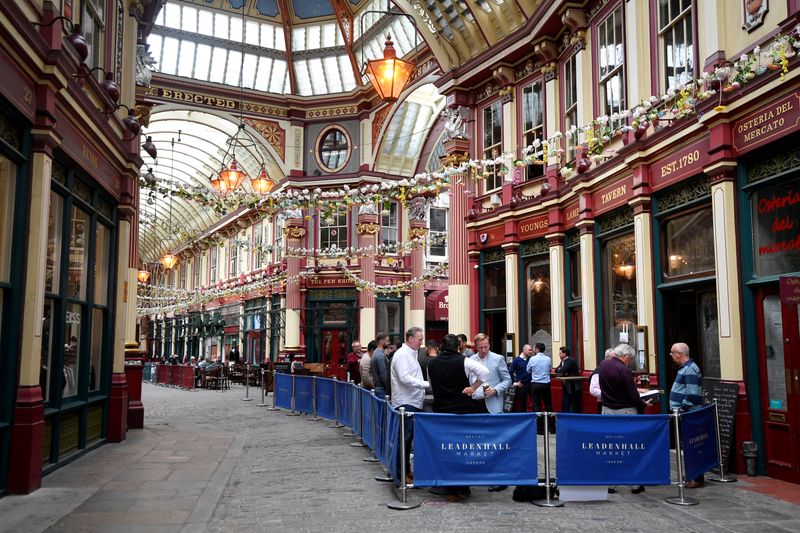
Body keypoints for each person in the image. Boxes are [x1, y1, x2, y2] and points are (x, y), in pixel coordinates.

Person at [427, 334, 489, 502]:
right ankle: (462, 486)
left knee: (445, 448)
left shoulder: (431, 362)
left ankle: (447, 483)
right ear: (457, 347)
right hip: (462, 411)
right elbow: (484, 372)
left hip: (441, 411)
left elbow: (431, 385)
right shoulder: (464, 360)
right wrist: (472, 387)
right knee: (462, 448)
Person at [599, 343, 652, 494]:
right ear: (625, 356)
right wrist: (643, 404)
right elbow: (632, 395)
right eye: (630, 359)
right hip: (625, 412)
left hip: (607, 411)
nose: (629, 361)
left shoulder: (603, 366)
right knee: (629, 447)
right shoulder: (624, 370)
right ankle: (634, 483)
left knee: (612, 448)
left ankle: (611, 483)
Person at [470, 333, 512, 492]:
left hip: (493, 404)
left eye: (485, 347)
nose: (483, 350)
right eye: (480, 348)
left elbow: (507, 380)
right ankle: (482, 474)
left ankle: (500, 478)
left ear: (489, 344)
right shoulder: (471, 359)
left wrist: (496, 390)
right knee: (479, 441)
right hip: (476, 404)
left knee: (496, 442)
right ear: (475, 346)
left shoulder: (498, 358)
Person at [390, 327, 429, 485]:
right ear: (410, 339)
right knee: (404, 440)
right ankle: (401, 474)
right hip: (406, 403)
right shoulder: (402, 355)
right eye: (419, 339)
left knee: (407, 440)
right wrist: (426, 385)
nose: (421, 342)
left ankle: (406, 471)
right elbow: (404, 378)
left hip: (411, 401)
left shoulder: (409, 354)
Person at [669, 342, 705, 488]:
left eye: (672, 353)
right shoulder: (685, 368)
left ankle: (695, 478)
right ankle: (691, 475)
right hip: (685, 413)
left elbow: (692, 393)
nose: (670, 355)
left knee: (691, 445)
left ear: (679, 354)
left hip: (688, 414)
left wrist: (682, 408)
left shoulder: (689, 369)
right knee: (687, 445)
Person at [526, 343, 553, 434]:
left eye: (534, 348)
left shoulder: (532, 359)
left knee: (537, 407)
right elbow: (549, 369)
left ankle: (540, 429)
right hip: (546, 384)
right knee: (548, 405)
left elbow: (528, 370)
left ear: (537, 349)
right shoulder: (548, 359)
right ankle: (552, 428)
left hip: (536, 384)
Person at [556, 347, 582, 413]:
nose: (559, 355)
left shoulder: (570, 361)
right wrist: (560, 370)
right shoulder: (562, 361)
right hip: (567, 386)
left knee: (574, 405)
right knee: (565, 404)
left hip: (574, 387)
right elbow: (557, 370)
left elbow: (561, 370)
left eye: (560, 353)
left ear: (565, 354)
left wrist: (561, 370)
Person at [509, 344, 533, 412]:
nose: (531, 352)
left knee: (535, 402)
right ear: (524, 350)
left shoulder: (531, 359)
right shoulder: (517, 360)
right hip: (521, 385)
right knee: (522, 404)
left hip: (531, 384)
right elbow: (510, 371)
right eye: (529, 350)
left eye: (531, 350)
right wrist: (514, 383)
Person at [371, 333, 390, 399]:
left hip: (379, 388)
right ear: (381, 341)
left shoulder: (376, 353)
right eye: (387, 341)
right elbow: (383, 375)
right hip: (382, 389)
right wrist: (389, 389)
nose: (389, 343)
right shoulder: (380, 355)